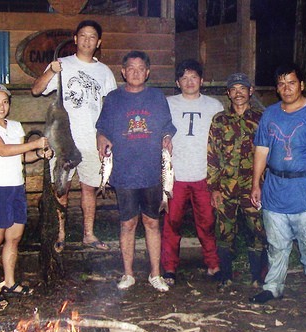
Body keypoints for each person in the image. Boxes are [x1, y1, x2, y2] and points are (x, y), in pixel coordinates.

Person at [249, 63, 306, 312]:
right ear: (277, 88)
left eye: (291, 82)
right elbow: (262, 150)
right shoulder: (270, 114)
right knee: (276, 243)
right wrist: (256, 183)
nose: (287, 88)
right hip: (275, 189)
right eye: (281, 83)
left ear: (301, 85)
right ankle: (272, 287)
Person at [31, 19, 117, 250]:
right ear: (75, 38)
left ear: (98, 42)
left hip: (92, 139)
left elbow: (110, 106)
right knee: (62, 188)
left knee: (90, 187)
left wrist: (107, 135)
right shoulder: (62, 64)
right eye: (83, 35)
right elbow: (36, 89)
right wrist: (51, 70)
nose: (87, 40)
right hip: (63, 139)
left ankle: (88, 234)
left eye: (92, 37)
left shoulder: (104, 72)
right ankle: (60, 235)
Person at [96, 51, 177, 292]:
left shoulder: (156, 97)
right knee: (128, 224)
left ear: (148, 72)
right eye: (130, 68)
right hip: (125, 172)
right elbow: (102, 128)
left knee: (152, 223)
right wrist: (101, 137)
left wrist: (166, 137)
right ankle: (128, 274)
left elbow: (167, 127)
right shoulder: (113, 98)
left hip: (153, 172)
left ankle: (155, 274)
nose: (135, 72)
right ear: (123, 71)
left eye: (141, 68)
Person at [0, 84, 51, 301]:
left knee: (14, 237)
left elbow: (19, 157)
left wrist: (39, 153)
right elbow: (2, 150)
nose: (1, 106)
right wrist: (34, 144)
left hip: (17, 188)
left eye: (5, 101)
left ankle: (9, 282)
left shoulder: (16, 126)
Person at [160, 59, 223, 286]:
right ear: (178, 82)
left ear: (202, 80)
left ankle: (213, 263)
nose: (189, 82)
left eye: (194, 77)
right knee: (172, 222)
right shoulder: (167, 103)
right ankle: (169, 267)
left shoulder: (214, 106)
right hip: (175, 175)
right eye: (184, 78)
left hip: (203, 175)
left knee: (206, 222)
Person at [207, 72, 268, 289]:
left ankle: (257, 277)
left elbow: (270, 153)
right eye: (234, 89)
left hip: (254, 187)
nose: (238, 93)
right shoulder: (219, 120)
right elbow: (212, 156)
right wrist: (213, 188)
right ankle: (226, 276)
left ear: (250, 91)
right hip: (226, 188)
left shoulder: (262, 119)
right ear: (228, 93)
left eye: (243, 88)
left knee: (257, 230)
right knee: (224, 231)